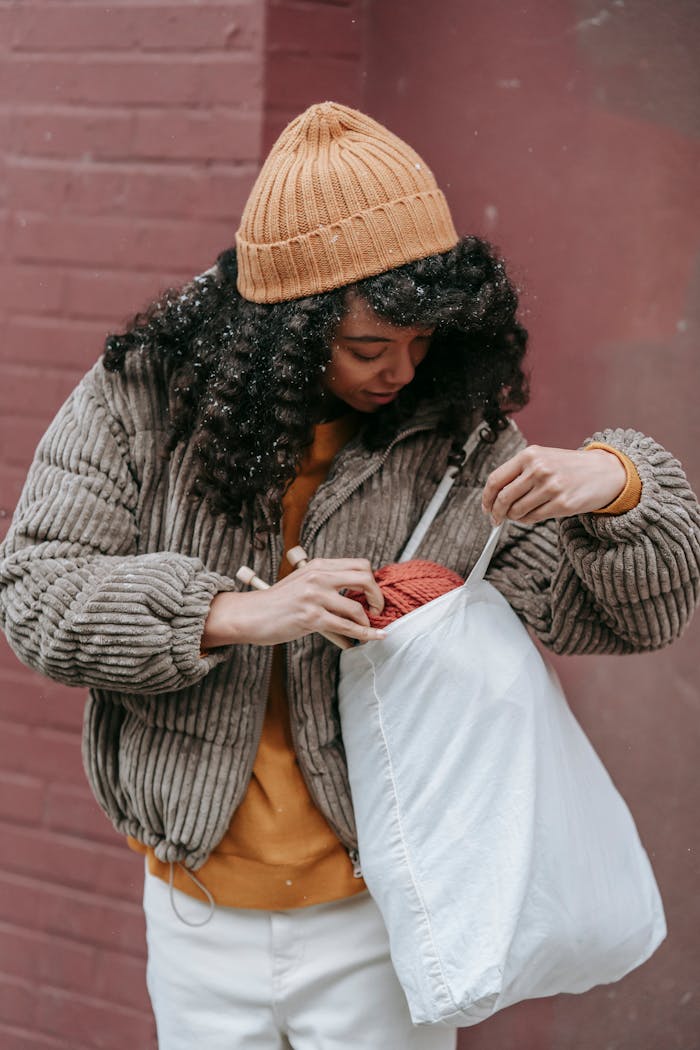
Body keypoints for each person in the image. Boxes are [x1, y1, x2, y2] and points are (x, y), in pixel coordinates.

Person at [1, 101, 698, 1050]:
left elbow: (618, 620)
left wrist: (618, 486)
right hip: (198, 909)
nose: (404, 374)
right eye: (370, 348)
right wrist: (239, 613)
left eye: (424, 344)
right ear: (285, 331)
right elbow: (36, 594)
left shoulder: (450, 437)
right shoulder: (143, 400)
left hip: (384, 911)